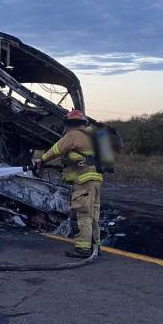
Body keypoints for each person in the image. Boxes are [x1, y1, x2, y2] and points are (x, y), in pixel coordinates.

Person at [36, 110, 103, 258]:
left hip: (84, 180)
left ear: (70, 124)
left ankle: (83, 249)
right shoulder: (91, 137)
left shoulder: (73, 135)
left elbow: (57, 149)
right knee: (93, 215)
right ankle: (95, 246)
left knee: (82, 214)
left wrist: (42, 160)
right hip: (96, 180)